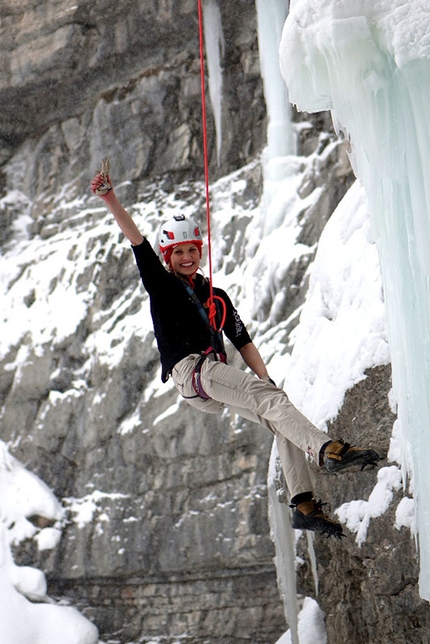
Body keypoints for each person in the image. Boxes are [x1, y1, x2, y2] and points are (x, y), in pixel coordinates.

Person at [91, 170, 382, 539]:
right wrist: (111, 200)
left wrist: (265, 380)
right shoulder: (162, 285)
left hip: (209, 377)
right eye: (177, 252)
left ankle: (304, 504)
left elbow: (243, 342)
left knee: (276, 412)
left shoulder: (219, 296)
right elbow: (136, 241)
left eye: (191, 250)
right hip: (193, 370)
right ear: (166, 257)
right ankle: (326, 450)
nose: (186, 257)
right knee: (270, 400)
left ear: (200, 252)